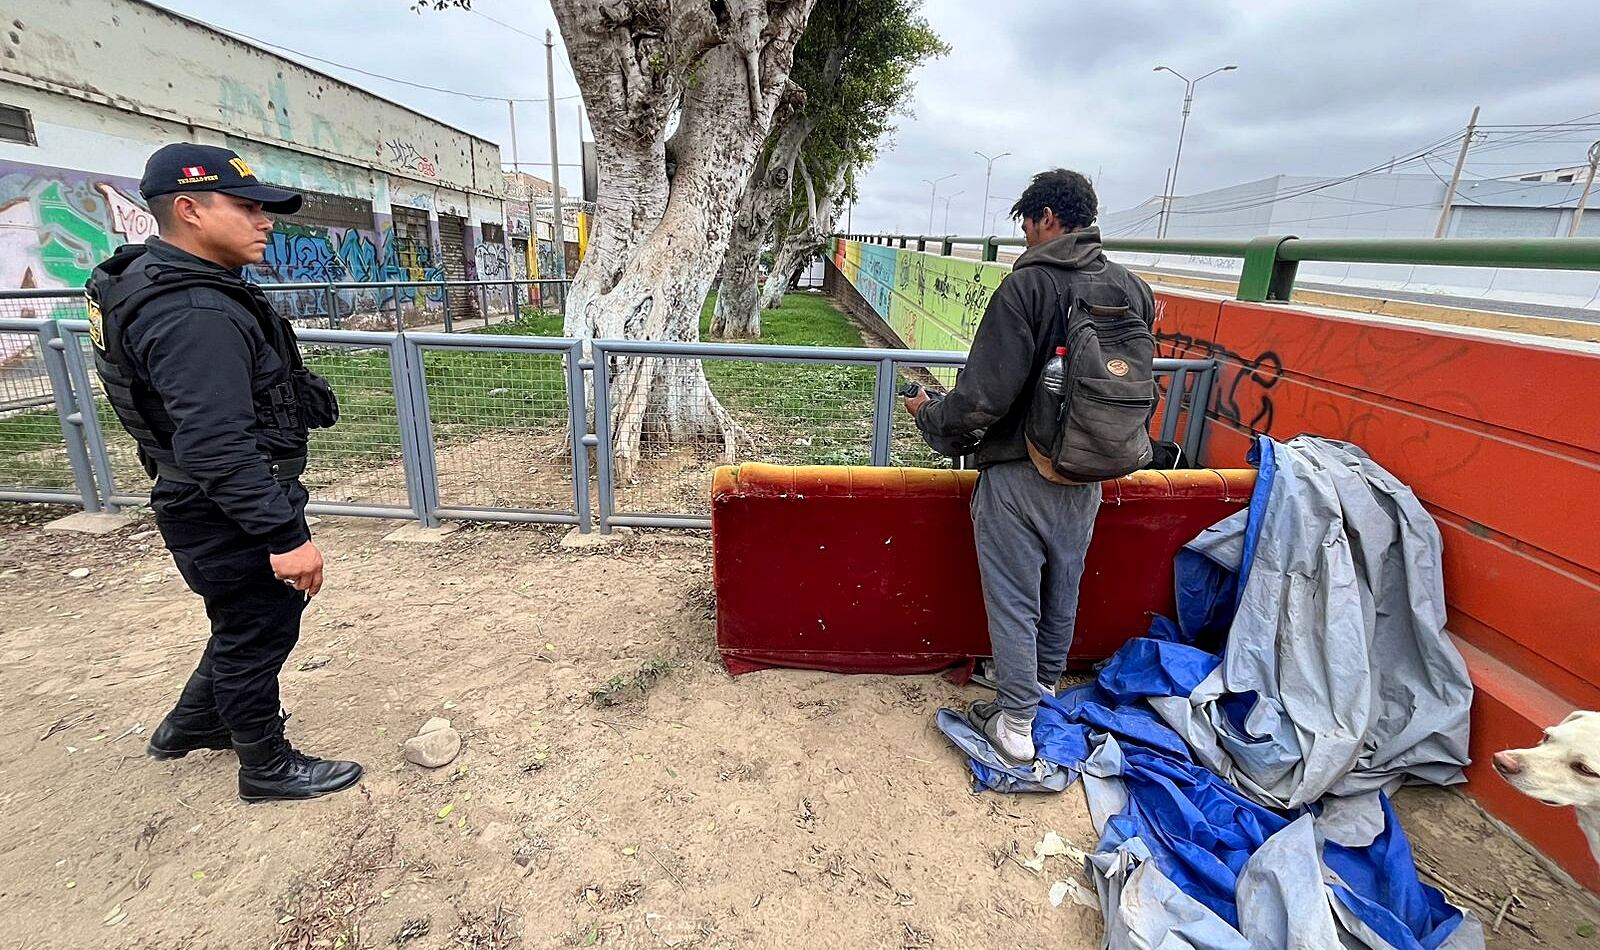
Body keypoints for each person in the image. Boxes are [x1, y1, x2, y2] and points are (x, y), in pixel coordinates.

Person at [86, 143, 361, 802]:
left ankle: (191, 725)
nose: (265, 221)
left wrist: (294, 391)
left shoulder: (163, 280)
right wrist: (284, 535)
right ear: (188, 209)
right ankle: (265, 765)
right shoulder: (193, 313)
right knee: (257, 631)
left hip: (202, 497)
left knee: (243, 623)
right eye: (247, 207)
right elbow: (214, 446)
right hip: (224, 505)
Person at [904, 168, 1157, 767]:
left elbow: (983, 397)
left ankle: (1016, 721)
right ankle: (1043, 684)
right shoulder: (1134, 290)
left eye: (1026, 221)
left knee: (1014, 594)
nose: (1022, 235)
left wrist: (932, 419)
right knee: (1063, 583)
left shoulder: (1029, 288)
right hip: (1095, 468)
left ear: (1047, 218)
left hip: (1023, 468)